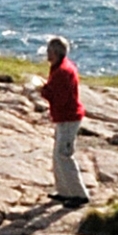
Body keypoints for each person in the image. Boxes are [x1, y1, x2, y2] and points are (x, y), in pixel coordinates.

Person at [40, 36, 88, 205]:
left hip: (68, 117)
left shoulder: (62, 72)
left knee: (64, 155)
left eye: (49, 51)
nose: (47, 54)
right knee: (57, 154)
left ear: (56, 53)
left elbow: (58, 98)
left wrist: (42, 91)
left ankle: (79, 194)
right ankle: (64, 190)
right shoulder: (60, 67)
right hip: (64, 117)